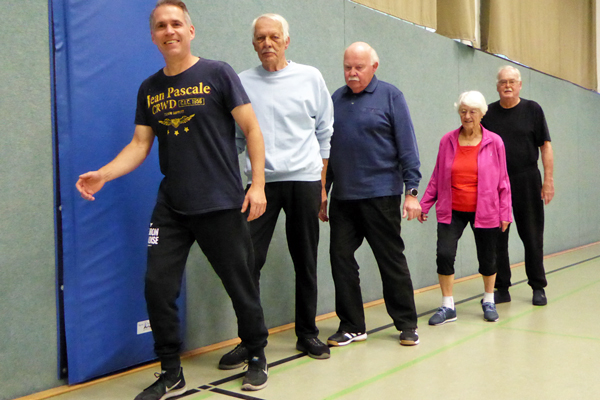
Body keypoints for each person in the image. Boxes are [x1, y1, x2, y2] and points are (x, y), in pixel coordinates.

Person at [75, 1, 270, 397]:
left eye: (176, 23)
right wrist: (105, 174)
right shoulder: (150, 88)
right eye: (162, 26)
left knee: (240, 283)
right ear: (153, 36)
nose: (170, 31)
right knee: (157, 286)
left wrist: (258, 185)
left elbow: (251, 129)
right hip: (172, 206)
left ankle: (256, 354)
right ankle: (170, 370)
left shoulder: (218, 73)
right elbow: (139, 144)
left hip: (219, 201)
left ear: (190, 30)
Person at [219, 13, 334, 367]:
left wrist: (321, 185)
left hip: (304, 180)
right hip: (259, 185)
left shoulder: (310, 77)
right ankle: (250, 340)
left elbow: (325, 134)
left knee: (306, 260)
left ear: (286, 41)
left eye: (273, 37)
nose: (266, 43)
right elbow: (235, 139)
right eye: (259, 38)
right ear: (253, 44)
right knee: (248, 262)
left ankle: (307, 333)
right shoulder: (241, 82)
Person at [320, 42, 421, 347]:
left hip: (381, 196)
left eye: (358, 67)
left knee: (390, 260)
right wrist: (322, 192)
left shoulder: (391, 96)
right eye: (347, 67)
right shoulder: (335, 99)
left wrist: (411, 191)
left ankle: (406, 323)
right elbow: (329, 152)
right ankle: (352, 325)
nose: (352, 73)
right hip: (344, 199)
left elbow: (407, 148)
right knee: (340, 258)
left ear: (374, 67)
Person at [419, 91, 512, 325]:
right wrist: (425, 204)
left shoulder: (495, 141)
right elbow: (437, 176)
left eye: (472, 111)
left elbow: (503, 180)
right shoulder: (447, 140)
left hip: (486, 209)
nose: (467, 116)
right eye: (463, 111)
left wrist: (505, 212)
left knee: (488, 257)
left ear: (481, 114)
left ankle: (489, 299)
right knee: (444, 254)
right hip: (452, 209)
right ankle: (448, 306)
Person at [481, 65, 554, 306]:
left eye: (512, 81)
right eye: (503, 82)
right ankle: (502, 287)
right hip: (496, 182)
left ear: (520, 85)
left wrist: (548, 181)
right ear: (497, 86)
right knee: (498, 235)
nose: (508, 86)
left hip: (527, 179)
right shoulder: (488, 114)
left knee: (532, 235)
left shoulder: (533, 110)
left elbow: (545, 146)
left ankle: (537, 286)